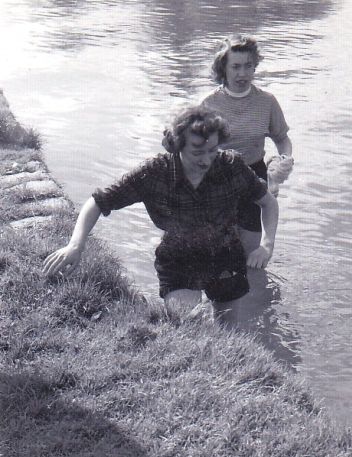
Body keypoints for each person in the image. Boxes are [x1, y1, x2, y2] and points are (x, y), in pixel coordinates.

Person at [42, 106, 279, 325]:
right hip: (179, 258)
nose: (206, 160)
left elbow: (268, 203)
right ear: (177, 145)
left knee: (229, 331)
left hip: (225, 255)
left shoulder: (231, 166)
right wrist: (75, 245)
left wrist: (266, 245)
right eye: (197, 151)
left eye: (212, 150)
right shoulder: (155, 173)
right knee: (187, 324)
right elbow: (97, 202)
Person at [202, 34, 294, 254]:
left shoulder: (267, 101)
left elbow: (282, 138)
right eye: (235, 67)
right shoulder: (208, 103)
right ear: (223, 68)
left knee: (250, 252)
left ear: (255, 67)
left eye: (248, 66)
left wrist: (284, 160)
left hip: (254, 175)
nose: (242, 74)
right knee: (216, 251)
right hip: (218, 177)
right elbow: (194, 149)